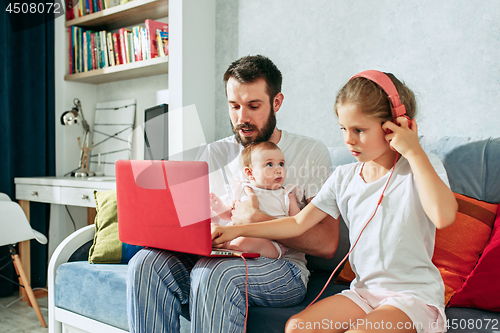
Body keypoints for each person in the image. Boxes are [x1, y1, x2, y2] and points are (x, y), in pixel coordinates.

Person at [212, 71, 458, 333]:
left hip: (412, 298)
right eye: (343, 129)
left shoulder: (421, 166)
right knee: (297, 327)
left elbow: (444, 217)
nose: (348, 140)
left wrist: (414, 151)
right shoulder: (344, 177)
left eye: (359, 130)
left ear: (396, 124)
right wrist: (234, 230)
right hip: (364, 294)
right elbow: (296, 224)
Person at [126, 55, 336, 333]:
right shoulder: (214, 153)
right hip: (218, 255)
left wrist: (258, 219)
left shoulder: (310, 152)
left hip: (282, 267)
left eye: (253, 106)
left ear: (277, 102)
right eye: (234, 106)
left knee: (215, 275)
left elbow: (327, 243)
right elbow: (192, 221)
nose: (242, 118)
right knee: (145, 263)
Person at [210, 141, 303, 259]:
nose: (279, 169)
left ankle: (228, 247)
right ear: (250, 173)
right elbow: (232, 215)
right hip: (236, 234)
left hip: (271, 243)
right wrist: (219, 207)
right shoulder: (243, 189)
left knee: (246, 241)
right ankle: (222, 244)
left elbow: (299, 224)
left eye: (281, 164)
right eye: (270, 164)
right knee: (213, 227)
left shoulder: (286, 195)